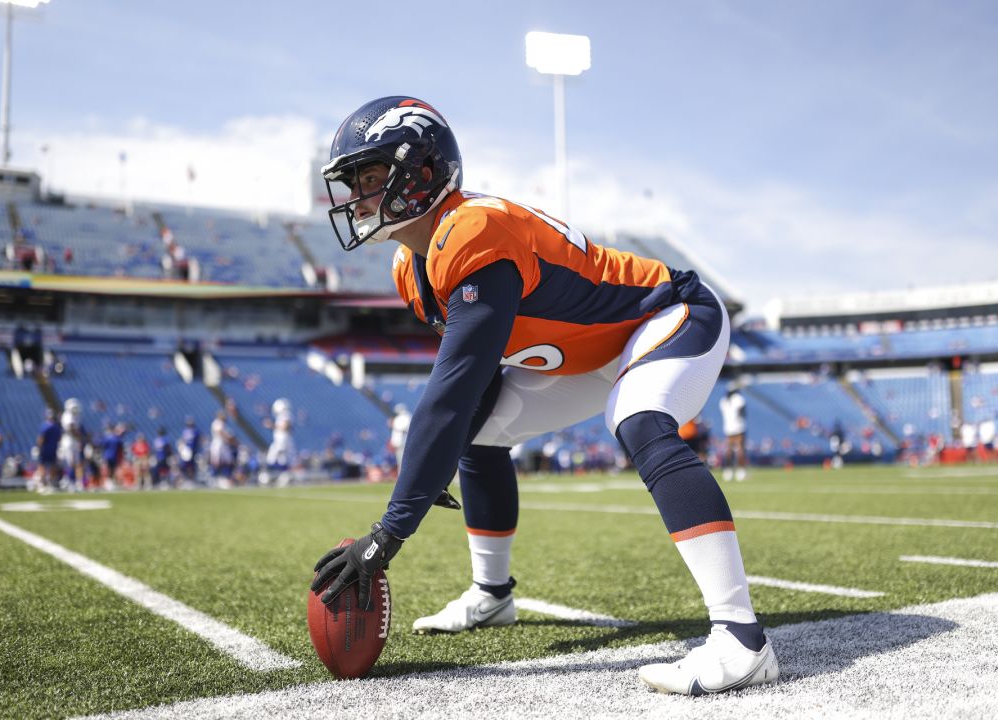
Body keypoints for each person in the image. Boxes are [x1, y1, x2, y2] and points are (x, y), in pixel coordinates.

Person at [308, 96, 777, 696]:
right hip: (585, 354)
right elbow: (470, 396)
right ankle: (492, 595)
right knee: (478, 438)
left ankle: (743, 640)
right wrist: (439, 463)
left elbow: (448, 394)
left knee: (636, 419)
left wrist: (390, 532)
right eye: (355, 183)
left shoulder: (472, 230)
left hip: (665, 315)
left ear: (422, 172)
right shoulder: (412, 267)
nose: (359, 198)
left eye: (371, 178)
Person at [718, 381, 749, 481]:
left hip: (728, 428)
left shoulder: (723, 401)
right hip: (739, 427)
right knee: (740, 450)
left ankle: (728, 472)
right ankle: (741, 473)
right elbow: (743, 413)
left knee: (729, 451)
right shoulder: (739, 399)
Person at [263, 399, 296, 486]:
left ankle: (280, 475)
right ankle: (278, 475)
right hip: (280, 440)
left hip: (282, 440)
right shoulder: (282, 415)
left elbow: (285, 427)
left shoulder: (285, 414)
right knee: (274, 458)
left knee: (279, 458)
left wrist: (272, 425)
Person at [58, 398, 87, 490]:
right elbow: (71, 429)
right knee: (71, 462)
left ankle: (77, 482)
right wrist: (79, 438)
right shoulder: (67, 416)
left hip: (74, 440)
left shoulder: (75, 416)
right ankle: (69, 480)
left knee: (77, 462)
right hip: (69, 441)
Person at [35, 408, 62, 492]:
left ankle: (42, 483)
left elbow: (41, 438)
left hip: (45, 448)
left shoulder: (45, 426)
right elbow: (59, 438)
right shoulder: (57, 427)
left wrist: (38, 447)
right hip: (53, 448)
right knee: (53, 465)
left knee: (42, 465)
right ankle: (52, 483)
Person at [209, 410, 234, 485]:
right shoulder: (217, 422)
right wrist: (228, 438)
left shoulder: (221, 423)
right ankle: (214, 478)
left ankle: (226, 478)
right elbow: (220, 432)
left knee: (228, 461)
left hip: (223, 444)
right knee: (216, 462)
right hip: (218, 444)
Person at [178, 416, 200, 485]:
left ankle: (191, 479)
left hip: (191, 451)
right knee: (187, 466)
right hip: (187, 451)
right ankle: (188, 479)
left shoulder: (192, 431)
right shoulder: (187, 431)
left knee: (190, 466)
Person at [389, 403, 412, 469]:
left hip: (404, 442)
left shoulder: (407, 417)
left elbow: (405, 428)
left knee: (403, 459)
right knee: (400, 460)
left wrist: (393, 425)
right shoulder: (398, 418)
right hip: (398, 443)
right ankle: (401, 474)